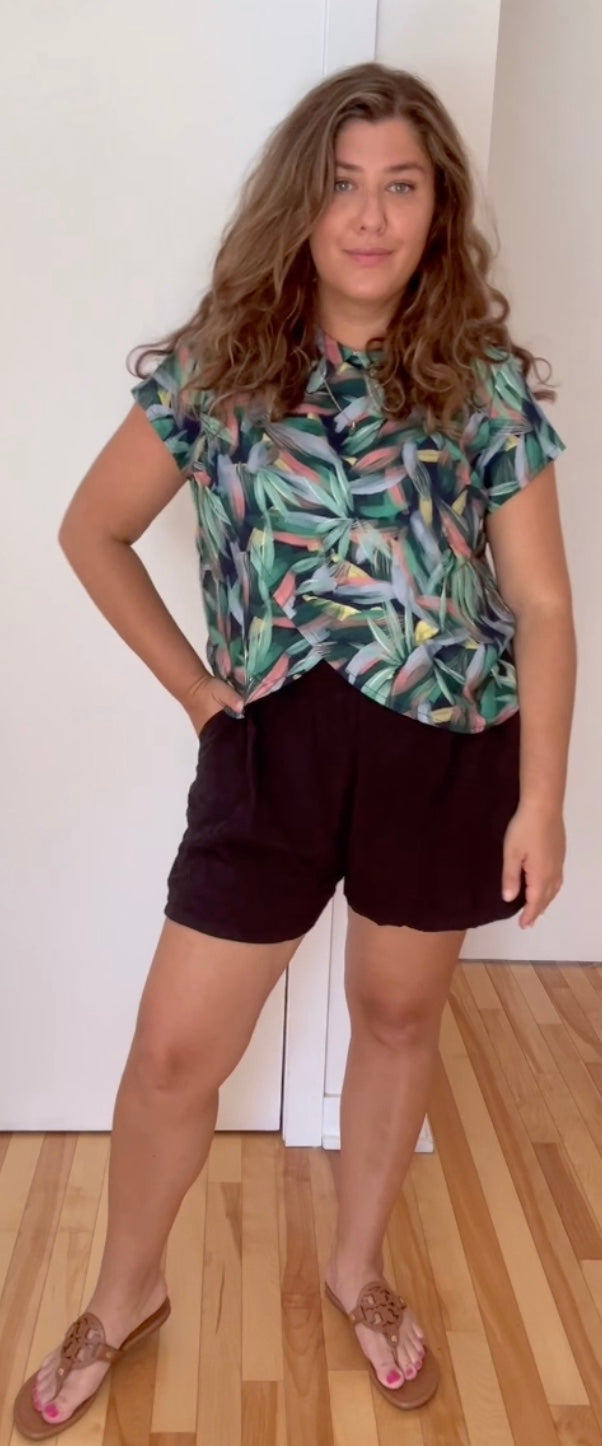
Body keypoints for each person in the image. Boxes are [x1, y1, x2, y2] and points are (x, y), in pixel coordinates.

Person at [15, 60, 576, 1435]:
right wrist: (196, 692)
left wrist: (542, 801)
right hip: (268, 751)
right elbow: (92, 530)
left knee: (395, 1018)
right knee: (173, 1052)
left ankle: (357, 1271)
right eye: (342, 185)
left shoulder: (484, 384)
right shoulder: (221, 368)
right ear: (301, 204)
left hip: (446, 752)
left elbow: (544, 604)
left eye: (401, 185)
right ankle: (124, 1292)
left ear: (437, 208)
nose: (370, 216)